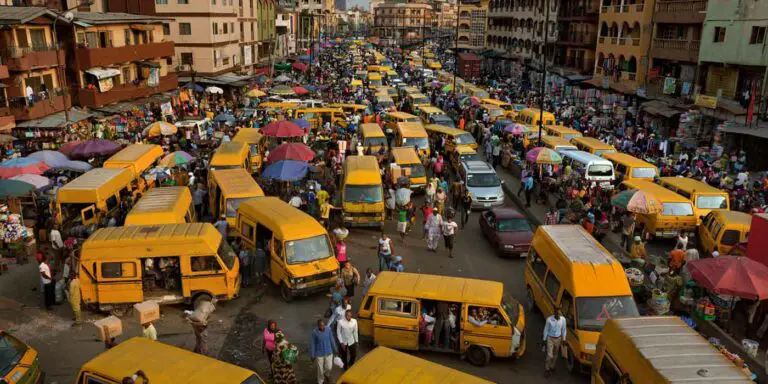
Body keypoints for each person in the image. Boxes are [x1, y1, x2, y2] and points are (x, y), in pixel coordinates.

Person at [310, 319, 336, 384]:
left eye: (323, 325)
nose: (322, 327)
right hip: (319, 354)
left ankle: (327, 374)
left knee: (329, 367)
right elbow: (313, 344)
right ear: (318, 326)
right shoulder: (314, 332)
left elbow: (332, 339)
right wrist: (312, 355)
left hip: (329, 352)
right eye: (321, 326)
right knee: (320, 370)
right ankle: (320, 381)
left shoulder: (328, 329)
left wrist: (335, 349)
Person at [543, 307, 567, 376]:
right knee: (550, 355)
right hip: (550, 338)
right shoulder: (549, 320)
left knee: (555, 354)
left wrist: (564, 339)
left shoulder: (563, 320)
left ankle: (552, 366)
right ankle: (547, 369)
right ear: (554, 313)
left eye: (560, 313)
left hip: (558, 339)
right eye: (557, 314)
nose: (559, 315)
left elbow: (564, 330)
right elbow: (546, 330)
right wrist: (544, 339)